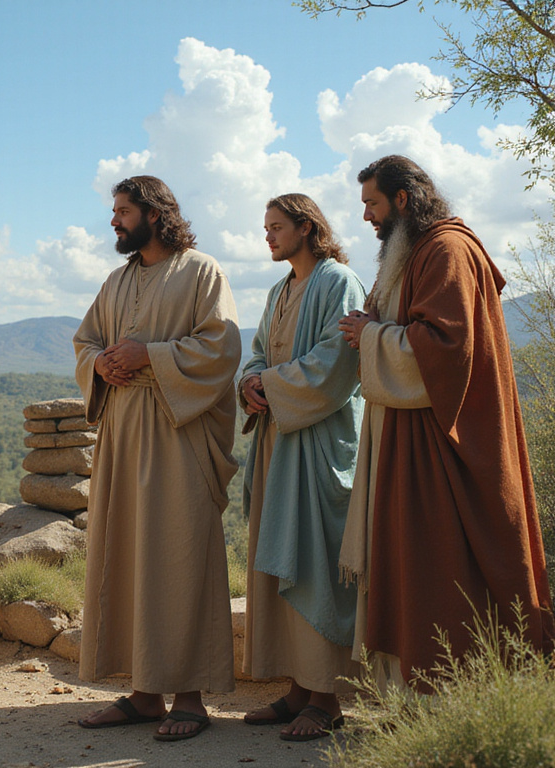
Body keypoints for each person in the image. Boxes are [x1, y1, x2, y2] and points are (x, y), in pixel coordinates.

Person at [337, 154, 555, 687]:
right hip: (411, 435)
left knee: (446, 559)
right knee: (422, 562)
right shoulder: (413, 251)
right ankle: (412, 697)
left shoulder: (446, 250)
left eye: (372, 203)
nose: (366, 216)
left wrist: (369, 334)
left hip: (445, 440)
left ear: (403, 200)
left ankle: (456, 695)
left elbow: (446, 347)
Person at [73, 175, 241, 741]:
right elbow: (85, 341)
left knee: (180, 556)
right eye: (114, 212)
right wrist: (99, 365)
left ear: (154, 213)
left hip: (177, 434)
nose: (114, 222)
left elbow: (221, 346)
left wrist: (151, 355)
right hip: (123, 433)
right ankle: (145, 694)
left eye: (123, 212)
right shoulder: (117, 280)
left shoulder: (202, 271)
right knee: (130, 557)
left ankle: (190, 697)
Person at [238, 194, 364, 741]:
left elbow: (338, 362)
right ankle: (297, 687)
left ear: (307, 228)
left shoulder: (340, 282)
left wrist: (272, 383)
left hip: (319, 445)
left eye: (276, 227)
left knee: (315, 564)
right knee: (282, 556)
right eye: (265, 228)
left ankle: (326, 697)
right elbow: (259, 350)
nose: (267, 237)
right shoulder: (279, 289)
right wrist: (249, 380)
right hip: (277, 444)